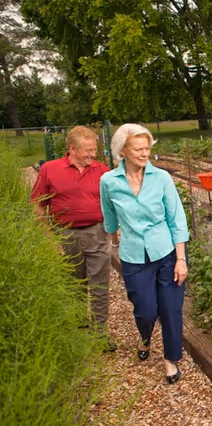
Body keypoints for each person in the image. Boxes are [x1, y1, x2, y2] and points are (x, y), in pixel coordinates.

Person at [100, 123, 189, 384]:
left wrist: (181, 259)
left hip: (167, 253)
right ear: (122, 151)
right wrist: (112, 234)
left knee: (171, 309)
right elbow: (109, 214)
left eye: (147, 148)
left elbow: (176, 219)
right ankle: (145, 336)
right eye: (138, 149)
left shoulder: (161, 178)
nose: (144, 153)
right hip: (133, 256)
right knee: (146, 310)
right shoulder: (108, 182)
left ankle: (170, 361)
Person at [30, 125, 115, 351]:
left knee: (99, 284)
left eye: (94, 149)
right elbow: (37, 205)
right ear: (72, 149)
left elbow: (116, 201)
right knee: (74, 284)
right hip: (64, 234)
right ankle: (78, 327)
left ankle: (100, 334)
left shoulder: (102, 171)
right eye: (87, 150)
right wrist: (50, 238)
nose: (92, 154)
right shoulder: (50, 169)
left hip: (97, 232)